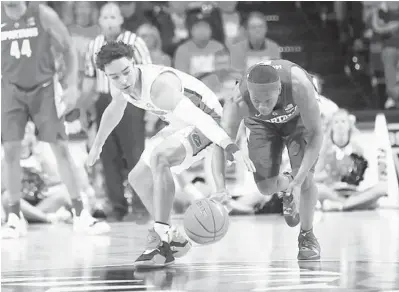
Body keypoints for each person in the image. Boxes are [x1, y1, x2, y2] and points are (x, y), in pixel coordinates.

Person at [86, 41, 255, 268]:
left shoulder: (159, 88)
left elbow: (199, 118)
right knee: (137, 178)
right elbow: (114, 109)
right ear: (107, 75)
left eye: (126, 72)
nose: (123, 80)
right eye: (115, 77)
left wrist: (228, 145)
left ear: (134, 63)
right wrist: (97, 145)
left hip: (209, 122)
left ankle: (160, 240)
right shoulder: (121, 84)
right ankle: (174, 238)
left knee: (161, 158)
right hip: (179, 125)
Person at [1, 1, 109, 239]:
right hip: (10, 90)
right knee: (10, 151)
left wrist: (71, 86)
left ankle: (81, 214)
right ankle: (14, 217)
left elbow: (69, 48)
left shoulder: (42, 14)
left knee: (60, 148)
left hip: (44, 89)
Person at [222, 59, 323, 260]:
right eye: (256, 101)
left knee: (307, 180)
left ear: (279, 89)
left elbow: (316, 135)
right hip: (261, 124)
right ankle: (287, 182)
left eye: (267, 100)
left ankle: (307, 235)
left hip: (297, 120)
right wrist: (219, 186)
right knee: (266, 188)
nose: (261, 105)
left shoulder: (299, 85)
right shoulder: (237, 99)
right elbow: (222, 141)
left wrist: (299, 180)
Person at [82, 3, 152, 221]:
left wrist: (150, 113)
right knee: (107, 156)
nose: (109, 21)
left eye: (113, 17)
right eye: (105, 17)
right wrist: (86, 112)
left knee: (135, 156)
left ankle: (142, 206)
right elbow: (88, 81)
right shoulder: (93, 45)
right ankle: (116, 207)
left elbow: (148, 76)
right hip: (103, 101)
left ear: (121, 19)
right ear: (99, 21)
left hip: (132, 102)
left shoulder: (135, 42)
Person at [314, 109, 387, 211]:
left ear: (349, 125)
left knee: (382, 188)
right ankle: (353, 205)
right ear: (332, 127)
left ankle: (341, 206)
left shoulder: (358, 149)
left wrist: (352, 175)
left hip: (354, 192)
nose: (340, 125)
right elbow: (314, 177)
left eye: (343, 122)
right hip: (332, 192)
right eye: (336, 122)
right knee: (317, 189)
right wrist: (329, 174)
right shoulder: (324, 149)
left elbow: (366, 177)